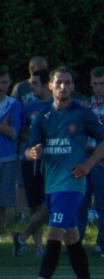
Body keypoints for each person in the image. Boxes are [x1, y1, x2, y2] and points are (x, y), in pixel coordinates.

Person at [17, 67, 104, 279]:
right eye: (58, 82)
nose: (63, 87)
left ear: (72, 86)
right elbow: (28, 150)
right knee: (72, 239)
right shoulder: (42, 117)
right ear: (50, 86)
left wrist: (89, 164)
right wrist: (33, 153)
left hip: (72, 186)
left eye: (68, 83)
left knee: (53, 235)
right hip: (52, 187)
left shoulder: (82, 113)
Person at [77, 66, 104, 258]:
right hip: (85, 156)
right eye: (95, 84)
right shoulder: (88, 104)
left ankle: (102, 245)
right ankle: (75, 243)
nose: (98, 87)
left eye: (102, 83)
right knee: (81, 202)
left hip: (102, 159)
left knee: (102, 203)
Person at [13, 68, 52, 258]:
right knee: (35, 206)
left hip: (52, 163)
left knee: (51, 203)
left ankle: (22, 236)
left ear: (47, 85)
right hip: (32, 162)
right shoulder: (29, 108)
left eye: (35, 83)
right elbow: (21, 134)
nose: (31, 87)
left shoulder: (58, 105)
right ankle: (39, 249)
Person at [0, 65, 23, 234]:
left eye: (4, 82)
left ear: (9, 83)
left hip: (7, 157)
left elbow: (14, 132)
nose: (1, 87)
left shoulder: (13, 104)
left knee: (3, 202)